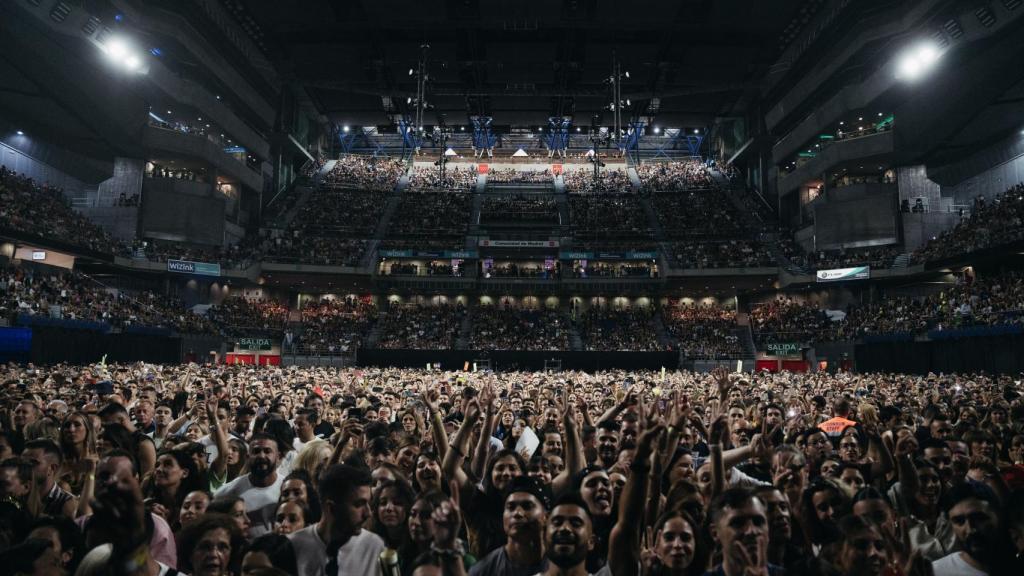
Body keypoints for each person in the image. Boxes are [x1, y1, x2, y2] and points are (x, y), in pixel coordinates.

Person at [288, 463, 386, 576]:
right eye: (359, 504)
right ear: (331, 508)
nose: (368, 513)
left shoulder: (375, 547)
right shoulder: (293, 546)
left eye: (368, 503)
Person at [469, 476, 549, 576]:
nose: (518, 513)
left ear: (546, 516)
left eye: (527, 506)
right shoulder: (483, 571)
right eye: (511, 507)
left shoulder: (563, 566)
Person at [214, 433, 283, 537]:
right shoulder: (230, 490)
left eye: (267, 451)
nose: (261, 455)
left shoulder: (288, 487)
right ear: (247, 457)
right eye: (256, 451)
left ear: (278, 457)